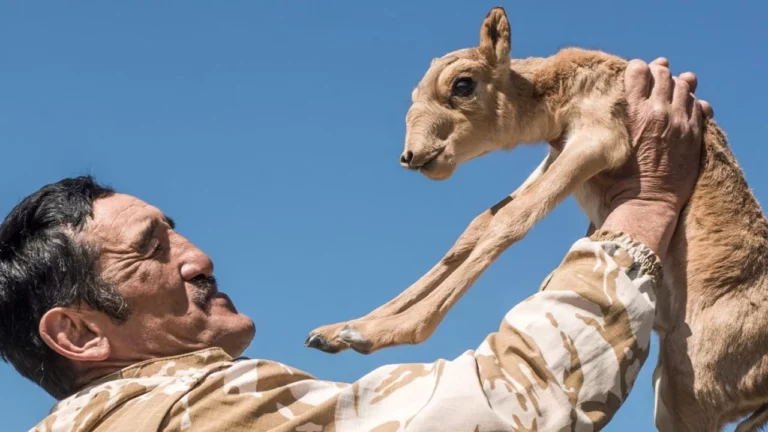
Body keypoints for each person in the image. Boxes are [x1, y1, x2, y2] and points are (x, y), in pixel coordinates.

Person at [0, 57, 713, 432]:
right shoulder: (182, 412)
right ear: (77, 333)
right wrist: (641, 206)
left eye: (175, 228)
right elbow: (508, 411)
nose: (196, 255)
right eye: (150, 249)